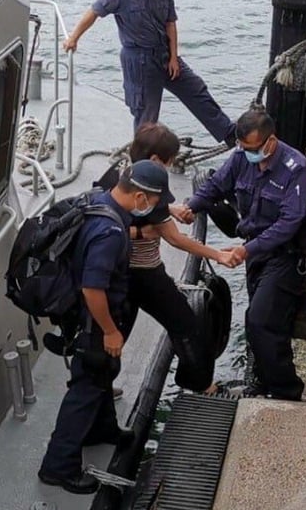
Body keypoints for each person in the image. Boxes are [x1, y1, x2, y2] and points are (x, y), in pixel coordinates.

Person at [38, 160, 173, 494]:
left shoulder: (99, 203)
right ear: (141, 196)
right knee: (88, 385)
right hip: (94, 322)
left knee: (102, 376)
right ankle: (58, 465)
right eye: (154, 200)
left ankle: (102, 428)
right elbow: (93, 288)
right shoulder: (110, 233)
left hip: (84, 318)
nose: (154, 207)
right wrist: (110, 331)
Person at [96, 123, 238, 394]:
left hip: (117, 273)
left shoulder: (117, 177)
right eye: (170, 161)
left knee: (119, 329)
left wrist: (166, 212)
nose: (171, 166)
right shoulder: (152, 191)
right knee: (185, 325)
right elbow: (175, 239)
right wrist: (218, 254)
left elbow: (101, 217)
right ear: (155, 160)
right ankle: (201, 384)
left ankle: (102, 384)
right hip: (146, 274)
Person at [180, 108, 306, 401]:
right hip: (254, 254)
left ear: (270, 142)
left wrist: (245, 249)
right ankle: (262, 384)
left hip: (283, 256)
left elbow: (289, 222)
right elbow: (216, 186)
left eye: (253, 149)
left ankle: (286, 390)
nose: (248, 154)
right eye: (244, 148)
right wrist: (193, 205)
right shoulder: (241, 157)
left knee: (261, 319)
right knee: (263, 322)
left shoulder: (295, 167)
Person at [63, 0, 237, 147]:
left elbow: (170, 23)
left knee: (195, 89)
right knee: (147, 112)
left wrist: (174, 57)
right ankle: (142, 160)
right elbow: (94, 12)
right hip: (139, 59)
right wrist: (74, 38)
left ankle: (229, 133)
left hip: (165, 54)